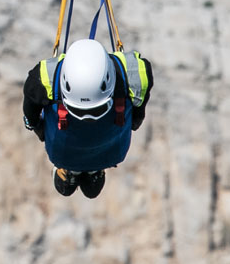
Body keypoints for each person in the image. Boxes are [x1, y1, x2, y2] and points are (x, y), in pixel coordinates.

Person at [22, 38, 153, 198]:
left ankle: (74, 170)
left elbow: (31, 117)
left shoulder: (42, 78)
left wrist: (41, 132)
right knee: (92, 189)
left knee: (68, 184)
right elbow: (136, 119)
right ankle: (93, 170)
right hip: (111, 149)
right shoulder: (137, 74)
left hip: (64, 153)